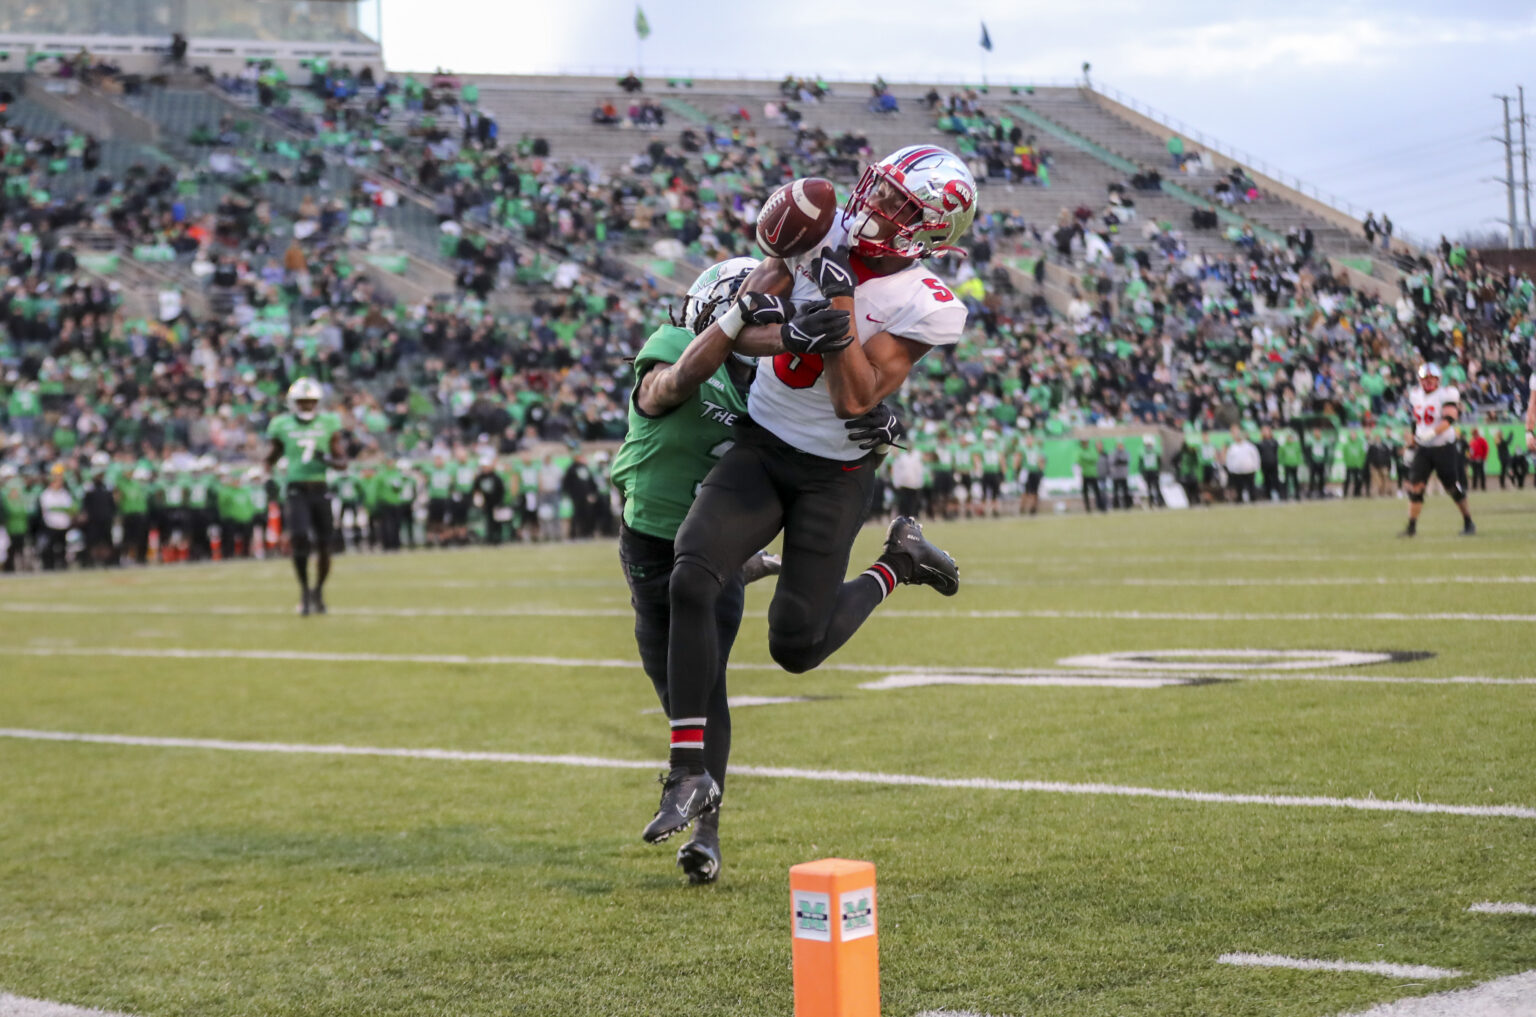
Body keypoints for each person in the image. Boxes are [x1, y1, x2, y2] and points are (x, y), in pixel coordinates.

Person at [646, 145, 972, 845]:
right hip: (764, 444)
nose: (872, 209)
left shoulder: (928, 302)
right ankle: (686, 769)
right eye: (877, 191)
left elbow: (857, 396)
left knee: (796, 646)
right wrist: (786, 319)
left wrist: (839, 310)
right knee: (693, 572)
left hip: (835, 473)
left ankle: (898, 563)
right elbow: (747, 313)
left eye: (896, 206)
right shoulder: (820, 229)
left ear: (930, 230)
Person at [611, 257, 838, 882]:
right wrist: (738, 316)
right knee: (673, 691)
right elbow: (673, 384)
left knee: (706, 693)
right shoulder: (677, 342)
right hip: (650, 550)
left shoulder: (772, 389)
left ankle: (707, 833)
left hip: (713, 560)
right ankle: (701, 795)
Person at [265, 377, 348, 615]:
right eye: (302, 402)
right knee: (299, 538)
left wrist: (328, 460)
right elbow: (271, 456)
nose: (307, 406)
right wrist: (267, 477)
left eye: (310, 402)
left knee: (325, 544)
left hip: (320, 488)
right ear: (293, 402)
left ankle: (318, 590)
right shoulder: (281, 424)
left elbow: (342, 461)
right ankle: (303, 589)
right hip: (296, 489)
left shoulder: (329, 422)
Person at [1402, 363, 1474, 537]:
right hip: (1424, 448)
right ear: (1419, 380)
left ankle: (1468, 521)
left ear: (1438, 380)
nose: (1428, 382)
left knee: (1451, 487)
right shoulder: (1415, 395)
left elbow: (1450, 418)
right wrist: (1413, 440)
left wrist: (1431, 433)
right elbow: (1416, 421)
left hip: (1443, 447)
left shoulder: (1446, 393)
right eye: (1425, 379)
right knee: (1416, 486)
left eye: (1431, 379)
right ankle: (1411, 527)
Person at [1224, 427, 1259, 503]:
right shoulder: (1233, 447)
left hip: (1249, 470)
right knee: (1239, 487)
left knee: (1251, 486)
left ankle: (1253, 499)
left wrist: (1256, 466)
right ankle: (1240, 500)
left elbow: (1255, 456)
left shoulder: (1249, 446)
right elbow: (1229, 459)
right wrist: (1230, 469)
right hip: (1237, 471)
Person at [1139, 434, 1164, 507]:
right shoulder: (1143, 451)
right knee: (1149, 488)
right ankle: (1151, 502)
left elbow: (1159, 461)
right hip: (1147, 471)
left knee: (1157, 487)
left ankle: (1160, 502)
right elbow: (1141, 463)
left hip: (1154, 470)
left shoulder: (1155, 450)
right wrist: (1142, 472)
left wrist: (1159, 470)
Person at [1077, 438, 1099, 512]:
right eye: (1083, 442)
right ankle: (1088, 508)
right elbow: (1079, 461)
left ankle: (1100, 506)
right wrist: (1089, 460)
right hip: (1085, 474)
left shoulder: (1092, 450)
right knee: (1085, 492)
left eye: (1085, 442)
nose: (1084, 444)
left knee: (1097, 491)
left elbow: (1095, 458)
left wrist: (1086, 459)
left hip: (1093, 474)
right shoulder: (1080, 451)